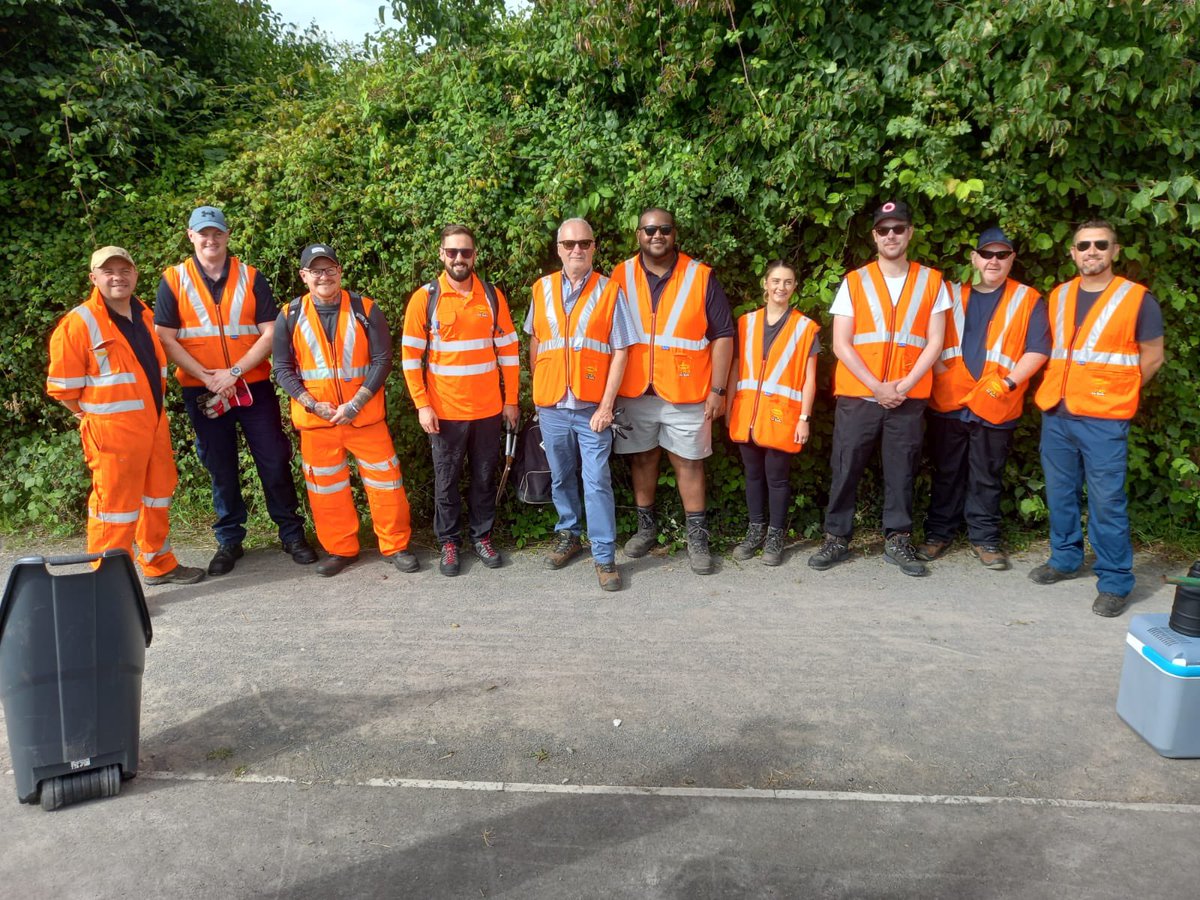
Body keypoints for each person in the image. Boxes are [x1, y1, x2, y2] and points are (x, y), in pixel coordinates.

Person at [154, 206, 315, 575]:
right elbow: (165, 337)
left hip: (252, 386)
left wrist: (235, 372)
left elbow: (271, 332)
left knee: (274, 460)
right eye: (203, 233)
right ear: (191, 236)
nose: (211, 240)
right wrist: (209, 378)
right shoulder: (173, 279)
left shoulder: (251, 276)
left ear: (227, 236)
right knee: (220, 466)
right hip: (203, 391)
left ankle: (291, 534)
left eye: (217, 233)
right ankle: (229, 540)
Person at [1029, 220, 1165, 617]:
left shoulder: (1137, 299)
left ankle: (1115, 580)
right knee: (1060, 493)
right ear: (1072, 252)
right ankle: (1065, 559)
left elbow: (1152, 356)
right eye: (1083, 245)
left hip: (1104, 419)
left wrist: (1116, 390)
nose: (1091, 251)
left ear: (1114, 251)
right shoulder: (1059, 295)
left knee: (1106, 502)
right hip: (1057, 411)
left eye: (1100, 244)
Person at [47, 247, 205, 585]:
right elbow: (64, 390)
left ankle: (158, 563)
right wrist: (91, 418)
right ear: (94, 278)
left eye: (124, 270)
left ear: (135, 275)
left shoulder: (146, 316)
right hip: (112, 433)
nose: (117, 277)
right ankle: (107, 583)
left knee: (157, 495)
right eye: (108, 271)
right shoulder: (78, 323)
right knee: (114, 510)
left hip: (154, 425)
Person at [807, 200, 949, 577]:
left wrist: (900, 386)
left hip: (907, 395)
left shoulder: (932, 281)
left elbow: (935, 342)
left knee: (902, 471)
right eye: (884, 230)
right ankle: (836, 538)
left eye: (898, 228)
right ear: (874, 235)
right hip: (859, 395)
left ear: (910, 232)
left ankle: (898, 540)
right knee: (845, 467)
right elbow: (841, 343)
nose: (891, 236)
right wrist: (876, 386)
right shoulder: (854, 281)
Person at [272, 244, 417, 578]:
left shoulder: (365, 309)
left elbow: (383, 360)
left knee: (387, 484)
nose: (324, 276)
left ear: (339, 271)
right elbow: (282, 367)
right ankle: (340, 549)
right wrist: (310, 402)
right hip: (317, 422)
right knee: (326, 490)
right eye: (316, 270)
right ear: (304, 276)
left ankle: (395, 545)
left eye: (329, 269)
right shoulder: (290, 315)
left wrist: (356, 403)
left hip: (364, 418)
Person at [610, 207, 735, 575]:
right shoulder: (620, 275)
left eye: (664, 229)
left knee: (689, 463)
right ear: (638, 235)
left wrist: (719, 389)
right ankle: (646, 529)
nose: (656, 235)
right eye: (649, 230)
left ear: (674, 234)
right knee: (642, 460)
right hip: (634, 390)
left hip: (688, 390)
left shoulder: (700, 276)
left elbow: (723, 335)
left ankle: (697, 538)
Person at [917, 227, 1051, 570]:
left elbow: (1037, 350)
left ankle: (985, 538)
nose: (994, 260)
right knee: (946, 473)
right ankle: (938, 534)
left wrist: (1008, 383)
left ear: (1011, 260)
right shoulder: (948, 294)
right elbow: (923, 338)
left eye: (1001, 254)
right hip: (949, 401)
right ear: (974, 258)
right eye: (987, 254)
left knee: (987, 475)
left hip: (996, 402)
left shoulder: (1028, 298)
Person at [525, 218, 640, 592]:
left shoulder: (610, 291)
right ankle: (569, 534)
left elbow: (621, 350)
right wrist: (539, 391)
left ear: (594, 248)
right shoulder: (540, 289)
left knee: (597, 482)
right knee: (560, 477)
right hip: (553, 406)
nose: (577, 249)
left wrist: (607, 407)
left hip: (593, 410)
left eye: (585, 243)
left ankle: (605, 556)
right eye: (570, 243)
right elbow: (536, 341)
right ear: (558, 248)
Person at [401, 225, 520, 577]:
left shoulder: (492, 297)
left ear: (475, 256)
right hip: (444, 412)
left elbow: (509, 353)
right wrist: (422, 404)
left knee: (484, 479)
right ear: (441, 255)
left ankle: (482, 537)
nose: (458, 258)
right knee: (447, 481)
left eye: (465, 252)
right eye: (452, 252)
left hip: (488, 411)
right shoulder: (426, 298)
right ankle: (449, 543)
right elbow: (410, 358)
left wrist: (511, 400)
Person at [727, 260, 820, 567]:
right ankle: (755, 531)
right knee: (753, 476)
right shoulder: (746, 323)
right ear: (764, 284)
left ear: (795, 288)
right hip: (747, 415)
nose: (781, 287)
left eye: (788, 282)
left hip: (783, 416)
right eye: (776, 281)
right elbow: (735, 369)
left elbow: (809, 379)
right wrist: (729, 408)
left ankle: (776, 536)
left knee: (777, 479)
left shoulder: (806, 328)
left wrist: (804, 419)